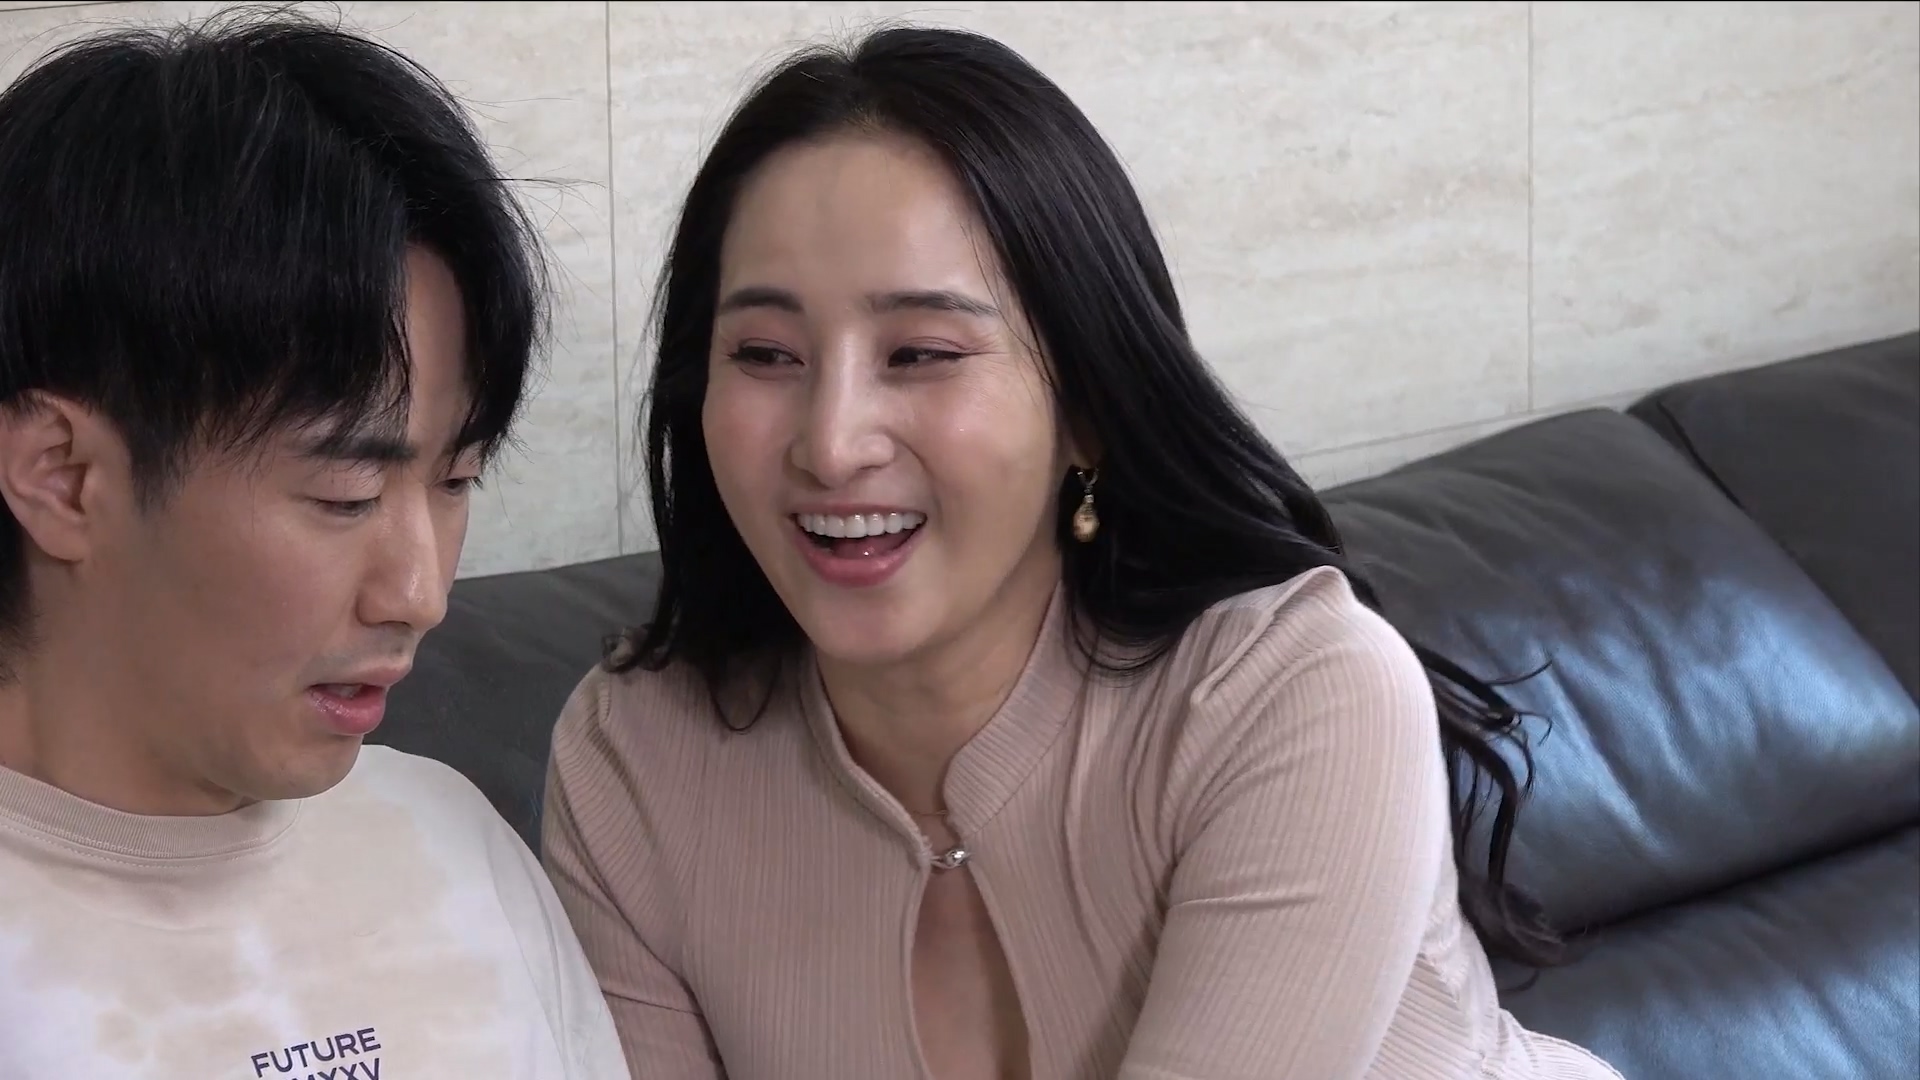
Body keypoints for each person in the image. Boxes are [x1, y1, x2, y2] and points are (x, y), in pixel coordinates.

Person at [542, 22, 1624, 1080]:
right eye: (767, 354)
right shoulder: (633, 760)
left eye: (921, 353)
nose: (830, 444)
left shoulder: (1289, 694)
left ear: (1089, 408)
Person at [0, 10, 629, 1079]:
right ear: (63, 477)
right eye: (346, 494)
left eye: (457, 481)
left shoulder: (454, 840)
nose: (420, 593)